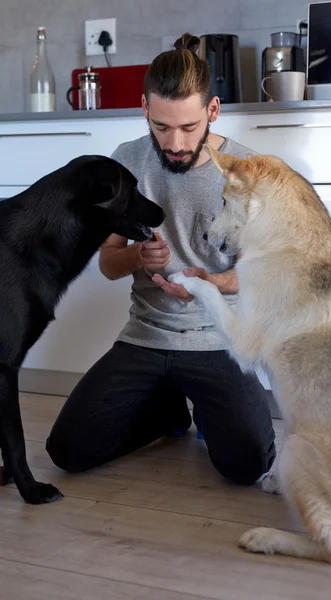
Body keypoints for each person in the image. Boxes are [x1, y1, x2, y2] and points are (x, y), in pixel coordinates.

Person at [46, 33, 276, 485]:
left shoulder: (250, 171)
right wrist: (135, 255)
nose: (174, 142)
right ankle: (168, 410)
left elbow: (262, 275)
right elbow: (109, 264)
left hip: (219, 339)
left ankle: (203, 405)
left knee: (248, 465)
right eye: (161, 127)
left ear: (212, 110)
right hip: (145, 336)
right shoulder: (125, 161)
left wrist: (208, 282)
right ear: (145, 109)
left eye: (189, 128)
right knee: (67, 451)